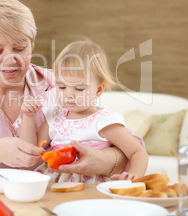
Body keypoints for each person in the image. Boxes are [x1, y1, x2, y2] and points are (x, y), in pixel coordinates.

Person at [0, 0, 133, 180]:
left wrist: (104, 161)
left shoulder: (59, 85)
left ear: (32, 45)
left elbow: (128, 146)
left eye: (20, 47)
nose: (11, 59)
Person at [20, 40, 148, 183]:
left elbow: (138, 152)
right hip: (54, 185)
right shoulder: (54, 116)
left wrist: (134, 177)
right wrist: (28, 116)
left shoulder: (104, 122)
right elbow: (29, 149)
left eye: (79, 89)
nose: (68, 94)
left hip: (89, 188)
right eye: (62, 87)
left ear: (98, 90)